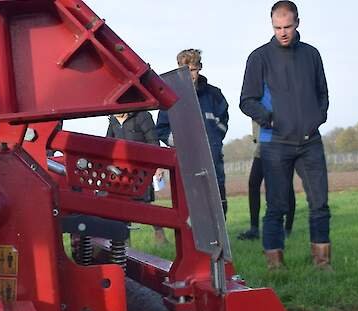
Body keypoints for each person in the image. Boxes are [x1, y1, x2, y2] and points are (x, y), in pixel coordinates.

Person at [240, 1, 331, 271]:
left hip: (310, 141)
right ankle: (276, 266)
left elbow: (323, 93)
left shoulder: (312, 55)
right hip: (275, 143)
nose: (282, 32)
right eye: (277, 27)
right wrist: (270, 119)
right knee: (276, 207)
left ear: (297, 23)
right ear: (272, 25)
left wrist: (318, 118)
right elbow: (247, 100)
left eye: (287, 26)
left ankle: (323, 262)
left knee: (320, 204)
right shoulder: (259, 57)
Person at [156, 49, 230, 216]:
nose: (191, 74)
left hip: (213, 160)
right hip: (185, 162)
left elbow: (223, 122)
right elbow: (161, 129)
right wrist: (179, 140)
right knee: (190, 211)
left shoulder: (215, 95)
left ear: (200, 67)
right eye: (186, 70)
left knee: (218, 208)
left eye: (193, 69)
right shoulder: (170, 97)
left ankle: (220, 242)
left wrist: (214, 139)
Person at [107, 111, 168, 244]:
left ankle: (161, 239)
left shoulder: (143, 116)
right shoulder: (113, 120)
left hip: (141, 170)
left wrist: (158, 166)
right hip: (121, 172)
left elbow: (153, 142)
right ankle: (125, 244)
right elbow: (108, 143)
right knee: (122, 207)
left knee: (144, 205)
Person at [237, 121, 296, 240]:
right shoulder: (255, 102)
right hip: (262, 142)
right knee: (253, 183)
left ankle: (287, 229)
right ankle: (254, 229)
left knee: (286, 184)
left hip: (279, 141)